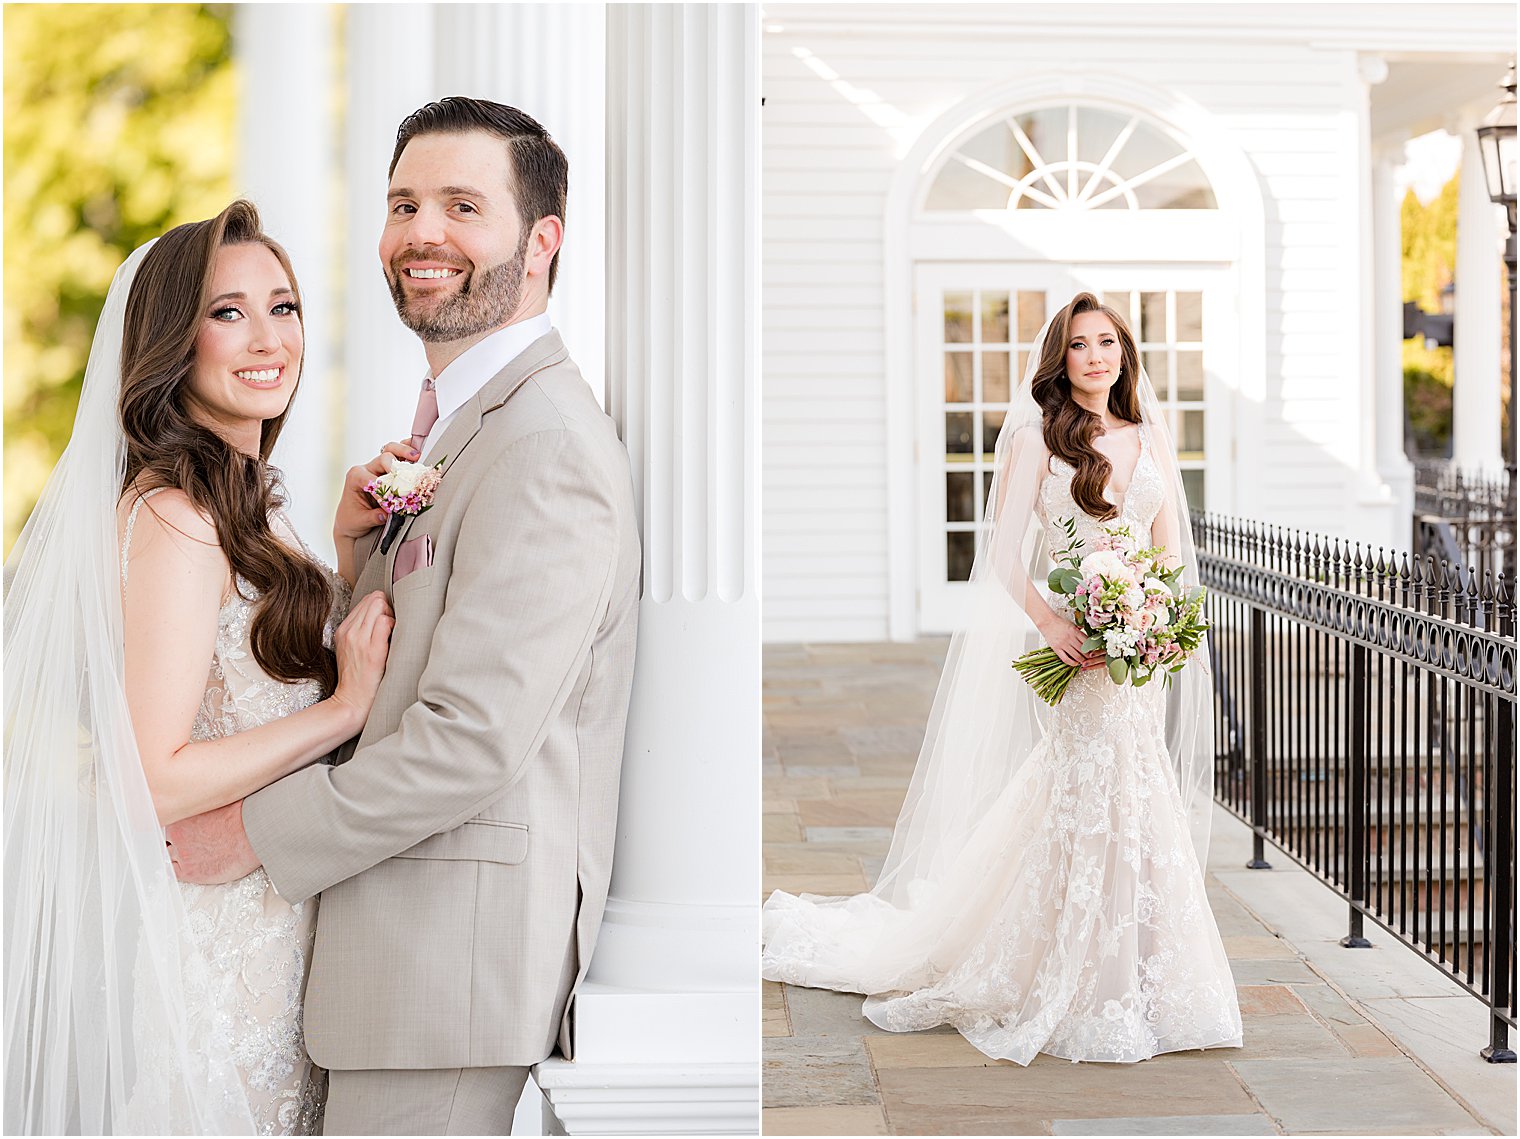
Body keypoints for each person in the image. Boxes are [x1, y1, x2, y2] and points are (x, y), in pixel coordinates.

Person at [166, 98, 643, 1135]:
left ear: (541, 239)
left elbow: (469, 741)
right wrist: (350, 561)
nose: (422, 233)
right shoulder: (460, 429)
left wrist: (243, 833)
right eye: (403, 204)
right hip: (380, 962)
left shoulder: (546, 445)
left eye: (462, 205)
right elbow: (386, 669)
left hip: (444, 973)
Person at [761, 292, 1243, 1065]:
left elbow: (1166, 554)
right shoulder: (1040, 443)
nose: (1096, 355)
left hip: (1136, 654)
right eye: (1081, 344)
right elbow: (1002, 551)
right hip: (1075, 649)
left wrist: (1155, 624)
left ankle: (1144, 973)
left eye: (1108, 342)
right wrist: (1056, 624)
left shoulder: (1151, 438)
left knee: (1135, 790)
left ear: (1125, 353)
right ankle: (1071, 971)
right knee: (1091, 783)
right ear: (1063, 358)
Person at [4, 200, 394, 1133]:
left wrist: (338, 554)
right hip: (223, 958)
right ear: (172, 343)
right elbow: (154, 773)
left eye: (284, 306)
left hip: (273, 927)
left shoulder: (240, 502)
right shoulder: (178, 518)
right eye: (228, 312)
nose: (268, 337)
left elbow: (247, 677)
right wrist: (342, 712)